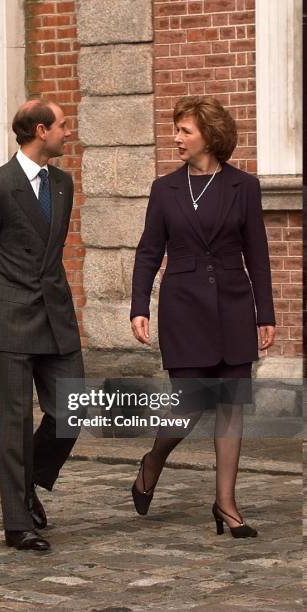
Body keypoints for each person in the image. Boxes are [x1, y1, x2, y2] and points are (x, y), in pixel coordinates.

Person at [130, 96, 275, 538]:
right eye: (176, 130)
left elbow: (258, 253)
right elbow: (149, 251)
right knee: (189, 404)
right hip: (183, 308)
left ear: (209, 136)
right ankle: (153, 460)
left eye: (184, 131)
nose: (176, 138)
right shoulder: (165, 188)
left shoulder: (243, 187)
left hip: (233, 304)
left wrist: (264, 312)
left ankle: (226, 504)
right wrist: (139, 306)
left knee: (231, 405)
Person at [0, 99, 84, 552]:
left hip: (57, 317)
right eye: (62, 126)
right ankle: (17, 523)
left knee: (74, 409)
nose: (67, 132)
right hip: (10, 317)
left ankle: (28, 483)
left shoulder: (64, 184)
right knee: (13, 424)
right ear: (39, 130)